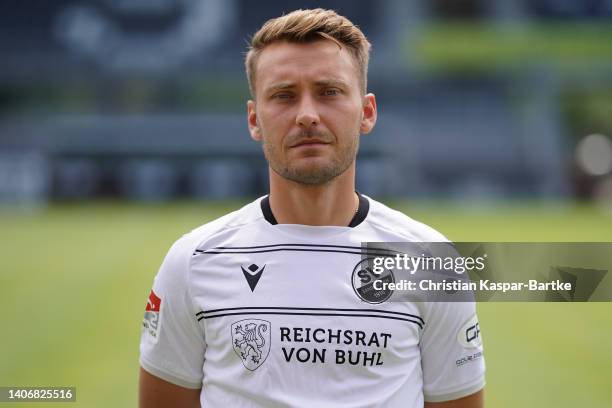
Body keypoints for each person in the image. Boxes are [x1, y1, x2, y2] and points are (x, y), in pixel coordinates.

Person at [139, 8, 485, 408]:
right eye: (284, 95)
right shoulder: (193, 261)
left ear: (367, 112)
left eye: (329, 92)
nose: (307, 115)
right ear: (254, 120)